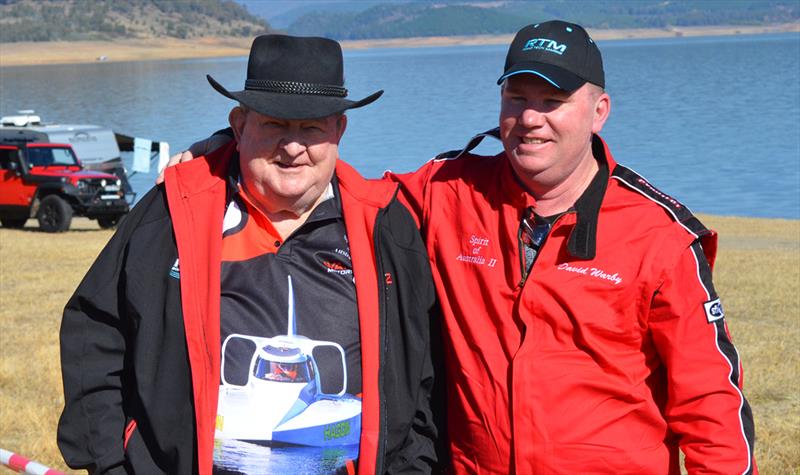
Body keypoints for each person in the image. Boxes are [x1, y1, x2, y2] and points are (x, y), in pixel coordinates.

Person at [165, 20, 757, 474]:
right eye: (517, 98)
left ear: (599, 112)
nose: (531, 119)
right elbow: (333, 184)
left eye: (552, 102)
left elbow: (710, 405)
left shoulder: (660, 235)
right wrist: (238, 139)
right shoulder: (448, 191)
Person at [58, 34, 442, 475]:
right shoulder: (175, 211)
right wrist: (110, 463)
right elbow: (94, 331)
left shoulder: (386, 227)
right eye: (275, 124)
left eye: (312, 126)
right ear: (239, 125)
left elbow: (423, 380)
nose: (293, 147)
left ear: (339, 130)